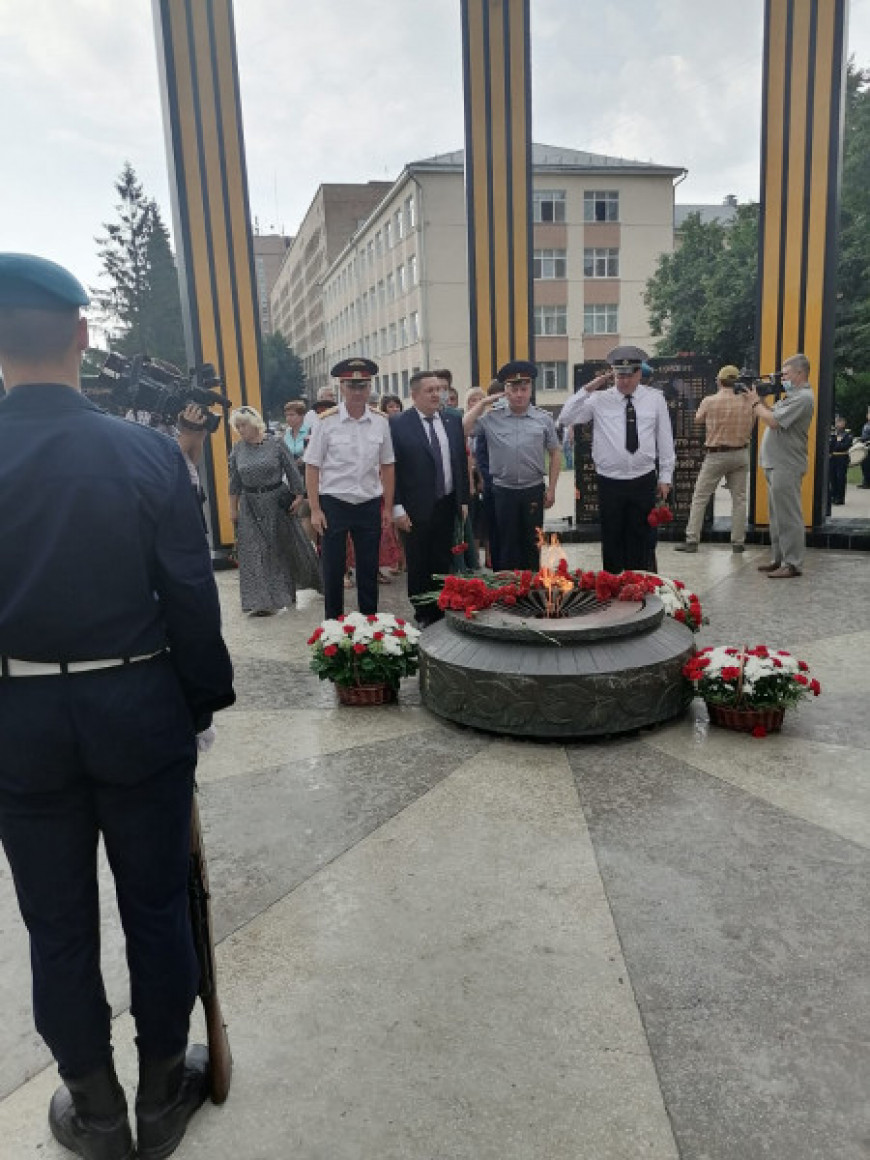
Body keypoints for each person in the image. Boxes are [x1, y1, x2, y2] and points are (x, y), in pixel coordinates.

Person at [0, 253, 236, 1160]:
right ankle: (161, 1092)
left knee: (54, 919)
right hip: (136, 704)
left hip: (19, 722)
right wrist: (200, 703)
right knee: (155, 908)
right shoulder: (143, 452)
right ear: (83, 337)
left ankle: (95, 1110)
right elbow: (188, 594)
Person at [557, 345, 674, 573]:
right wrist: (590, 388)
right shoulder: (599, 400)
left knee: (641, 536)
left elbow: (665, 439)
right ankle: (613, 586)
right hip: (610, 481)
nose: (624, 381)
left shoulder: (655, 399)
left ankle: (640, 584)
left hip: (643, 478)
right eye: (619, 375)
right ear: (612, 374)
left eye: (630, 375)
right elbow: (566, 416)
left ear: (639, 374)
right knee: (612, 536)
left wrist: (666, 476)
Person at [304, 358, 395, 619]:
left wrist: (387, 507)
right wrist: (315, 509)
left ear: (369, 388)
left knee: (368, 569)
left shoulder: (380, 422)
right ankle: (333, 626)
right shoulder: (326, 422)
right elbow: (312, 466)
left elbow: (387, 465)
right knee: (332, 570)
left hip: (368, 503)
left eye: (362, 386)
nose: (357, 392)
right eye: (351, 386)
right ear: (342, 387)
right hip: (334, 503)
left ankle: (369, 625)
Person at [390, 371, 470, 626]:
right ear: (414, 395)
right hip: (414, 507)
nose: (437, 394)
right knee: (418, 563)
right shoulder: (398, 424)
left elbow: (459, 462)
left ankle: (440, 608)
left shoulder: (452, 420)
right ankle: (423, 613)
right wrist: (397, 507)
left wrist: (463, 500)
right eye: (430, 390)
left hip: (446, 503)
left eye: (439, 389)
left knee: (441, 560)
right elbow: (393, 469)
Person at [463, 361, 560, 571]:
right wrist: (482, 404)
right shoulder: (491, 418)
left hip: (532, 490)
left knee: (532, 544)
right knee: (505, 544)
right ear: (505, 391)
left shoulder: (544, 419)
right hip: (503, 491)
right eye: (513, 389)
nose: (519, 394)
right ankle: (505, 593)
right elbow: (462, 429)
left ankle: (531, 590)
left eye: (523, 389)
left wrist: (551, 488)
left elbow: (555, 452)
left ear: (531, 389)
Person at [228, 405, 321, 615]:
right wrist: (232, 509)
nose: (241, 429)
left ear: (254, 424)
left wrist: (299, 495)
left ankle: (286, 595)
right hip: (250, 504)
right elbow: (234, 482)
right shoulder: (237, 449)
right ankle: (260, 602)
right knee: (254, 551)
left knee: (280, 549)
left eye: (243, 425)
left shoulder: (275, 444)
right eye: (238, 426)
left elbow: (291, 469)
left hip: (277, 501)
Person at [746, 353, 815, 579]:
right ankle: (779, 558)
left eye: (785, 374)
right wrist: (761, 398)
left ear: (799, 373)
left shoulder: (802, 397)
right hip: (776, 463)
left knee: (789, 515)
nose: (781, 378)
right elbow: (771, 413)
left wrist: (755, 402)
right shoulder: (790, 396)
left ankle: (792, 563)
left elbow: (773, 422)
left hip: (786, 463)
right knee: (777, 516)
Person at [675, 364, 757, 554]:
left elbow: (697, 419)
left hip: (716, 454)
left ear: (719, 381)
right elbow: (754, 421)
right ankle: (738, 542)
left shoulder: (709, 401)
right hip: (741, 453)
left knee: (700, 497)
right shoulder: (748, 401)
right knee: (739, 500)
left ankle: (692, 540)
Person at [828, 415, 853, 506]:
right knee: (832, 477)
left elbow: (844, 446)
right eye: (836, 422)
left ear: (843, 423)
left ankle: (840, 498)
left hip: (842, 458)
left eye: (839, 422)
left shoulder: (847, 433)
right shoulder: (833, 433)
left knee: (840, 478)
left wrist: (837, 444)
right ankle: (834, 496)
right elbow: (830, 445)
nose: (837, 424)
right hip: (833, 458)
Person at [860, 406, 870, 489]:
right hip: (864, 447)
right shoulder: (866, 425)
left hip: (869, 447)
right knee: (864, 465)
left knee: (868, 465)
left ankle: (868, 482)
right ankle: (865, 481)